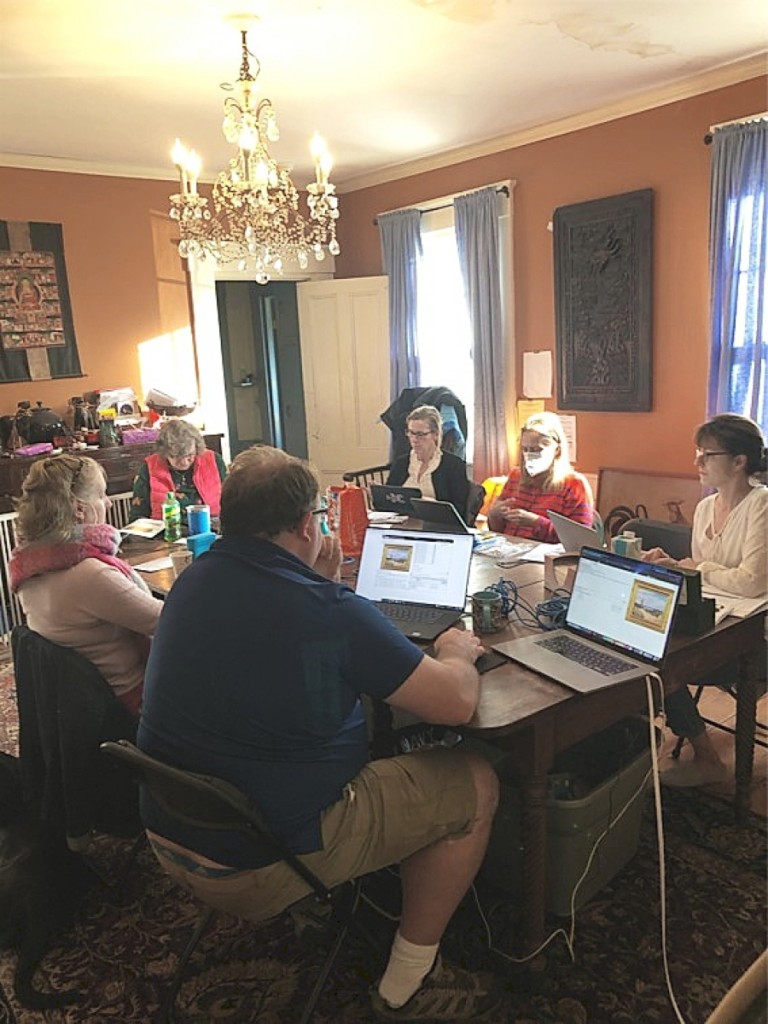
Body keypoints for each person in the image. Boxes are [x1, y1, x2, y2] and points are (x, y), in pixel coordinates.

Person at [138, 445, 501, 1022]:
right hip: (258, 861)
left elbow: (265, 642)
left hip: (171, 828)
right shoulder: (329, 610)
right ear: (309, 524)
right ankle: (411, 981)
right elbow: (456, 704)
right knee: (476, 778)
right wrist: (455, 650)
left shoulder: (191, 580)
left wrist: (319, 583)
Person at [642, 413, 767, 787]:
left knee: (666, 664)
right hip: (715, 619)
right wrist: (675, 568)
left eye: (706, 455)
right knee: (645, 653)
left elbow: (752, 582)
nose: (697, 463)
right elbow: (705, 581)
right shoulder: (703, 508)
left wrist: (695, 567)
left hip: (755, 633)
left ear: (739, 461)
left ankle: (709, 760)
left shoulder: (761, 505)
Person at [9, 455, 163, 717]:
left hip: (79, 706)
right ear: (80, 509)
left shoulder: (28, 565)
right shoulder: (89, 574)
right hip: (131, 702)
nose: (108, 502)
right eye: (102, 494)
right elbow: (169, 623)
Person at [487, 411, 594, 542]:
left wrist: (536, 523)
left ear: (556, 451)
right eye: (525, 449)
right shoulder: (516, 476)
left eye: (536, 450)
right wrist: (494, 516)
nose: (529, 455)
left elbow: (580, 540)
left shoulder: (574, 484)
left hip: (544, 557)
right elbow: (498, 530)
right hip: (508, 551)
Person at [129, 419, 227, 523]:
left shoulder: (214, 461)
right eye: (176, 457)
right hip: (167, 533)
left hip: (210, 530)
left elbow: (230, 502)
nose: (184, 462)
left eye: (189, 455)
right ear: (164, 453)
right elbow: (138, 517)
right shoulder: (149, 467)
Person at [386, 405, 471, 513]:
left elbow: (459, 510)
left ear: (435, 434)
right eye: (411, 433)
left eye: (420, 434)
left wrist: (426, 503)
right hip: (402, 522)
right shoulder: (401, 463)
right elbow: (388, 504)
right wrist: (379, 495)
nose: (414, 439)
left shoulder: (453, 465)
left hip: (435, 524)